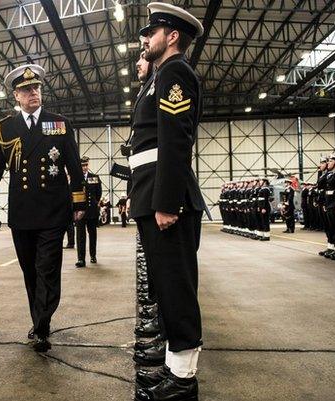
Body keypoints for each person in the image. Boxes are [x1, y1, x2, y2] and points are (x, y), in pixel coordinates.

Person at [0, 64, 86, 353]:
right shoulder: (5, 127)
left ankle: (41, 327)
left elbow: (74, 165)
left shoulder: (59, 123)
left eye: (37, 88)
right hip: (22, 211)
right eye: (27, 90)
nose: (33, 93)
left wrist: (79, 200)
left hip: (54, 209)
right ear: (16, 95)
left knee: (47, 269)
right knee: (30, 271)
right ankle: (39, 319)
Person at [129, 3, 206, 400]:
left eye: (151, 31)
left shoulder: (175, 73)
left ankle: (182, 380)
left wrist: (167, 202)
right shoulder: (161, 75)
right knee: (166, 283)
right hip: (152, 192)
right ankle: (176, 370)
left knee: (176, 289)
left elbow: (175, 142)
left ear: (172, 36)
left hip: (165, 197)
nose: (144, 39)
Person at [75, 156, 102, 267]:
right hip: (80, 211)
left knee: (92, 234)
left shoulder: (94, 178)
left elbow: (98, 193)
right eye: (82, 166)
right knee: (80, 236)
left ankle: (93, 255)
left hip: (92, 211)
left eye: (86, 165)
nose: (84, 168)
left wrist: (95, 204)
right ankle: (81, 259)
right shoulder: (76, 178)